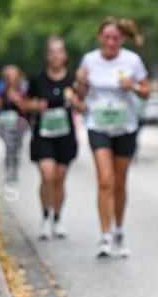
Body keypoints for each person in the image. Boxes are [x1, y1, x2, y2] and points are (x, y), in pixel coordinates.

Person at [75, 17, 150, 258]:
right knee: (105, 180)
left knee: (119, 182)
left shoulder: (132, 61)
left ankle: (119, 230)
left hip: (125, 127)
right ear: (100, 38)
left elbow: (147, 92)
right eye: (106, 37)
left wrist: (133, 86)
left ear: (122, 39)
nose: (111, 42)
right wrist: (80, 82)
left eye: (115, 38)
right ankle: (105, 236)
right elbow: (81, 94)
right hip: (98, 126)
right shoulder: (89, 60)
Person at [25, 36, 84, 240]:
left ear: (65, 55)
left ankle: (57, 220)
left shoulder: (72, 81)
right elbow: (25, 105)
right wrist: (35, 106)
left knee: (59, 180)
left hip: (65, 135)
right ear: (46, 56)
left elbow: (83, 107)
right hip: (43, 135)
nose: (56, 55)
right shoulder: (37, 79)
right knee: (47, 177)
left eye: (59, 51)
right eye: (52, 52)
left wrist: (76, 102)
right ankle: (44, 217)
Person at [0, 65, 29, 183]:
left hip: (20, 124)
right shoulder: (1, 91)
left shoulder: (24, 89)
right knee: (9, 147)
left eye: (13, 75)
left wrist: (18, 100)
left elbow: (27, 107)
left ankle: (15, 172)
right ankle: (9, 171)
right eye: (8, 76)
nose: (11, 78)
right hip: (6, 124)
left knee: (16, 148)